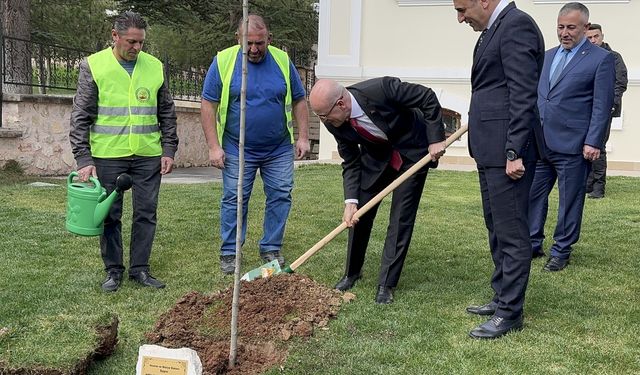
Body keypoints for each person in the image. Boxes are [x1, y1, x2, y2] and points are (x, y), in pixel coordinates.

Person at [308, 77, 446, 305]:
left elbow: (427, 97)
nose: (324, 121)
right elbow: (351, 160)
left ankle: (386, 283)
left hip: (413, 152)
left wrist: (435, 139)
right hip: (378, 157)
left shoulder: (382, 90)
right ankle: (352, 272)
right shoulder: (332, 119)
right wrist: (350, 201)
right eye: (320, 116)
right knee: (358, 214)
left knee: (401, 217)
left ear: (341, 104)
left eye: (324, 116)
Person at [453, 0, 545, 339]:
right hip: (489, 149)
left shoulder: (516, 25)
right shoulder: (493, 30)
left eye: (463, 10)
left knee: (512, 232)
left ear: (484, 1)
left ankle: (510, 312)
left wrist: (514, 150)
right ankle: (500, 295)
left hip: (508, 152)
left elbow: (523, 93)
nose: (461, 19)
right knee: (496, 227)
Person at [70, 11, 179, 292]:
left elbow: (166, 110)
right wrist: (83, 158)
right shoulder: (94, 66)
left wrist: (168, 148)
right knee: (110, 215)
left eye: (141, 42)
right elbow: (80, 114)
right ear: (115, 36)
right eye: (131, 42)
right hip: (108, 154)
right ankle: (113, 270)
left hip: (147, 153)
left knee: (146, 213)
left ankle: (140, 269)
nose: (136, 48)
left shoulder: (154, 66)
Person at [200, 15, 310, 275]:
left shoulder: (282, 61)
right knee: (234, 198)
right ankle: (230, 252)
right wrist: (214, 146)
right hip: (238, 146)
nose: (253, 49)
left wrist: (303, 136)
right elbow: (208, 104)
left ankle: (271, 248)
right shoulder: (224, 61)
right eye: (247, 43)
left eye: (259, 43)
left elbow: (299, 100)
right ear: (238, 39)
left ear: (269, 39)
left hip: (278, 147)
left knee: (281, 195)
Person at [529, 3, 615, 272]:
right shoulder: (547, 56)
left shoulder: (600, 59)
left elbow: (602, 105)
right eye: (560, 27)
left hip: (574, 146)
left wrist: (594, 141)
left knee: (570, 201)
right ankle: (532, 243)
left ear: (585, 28)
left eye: (571, 28)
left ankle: (561, 250)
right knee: (533, 195)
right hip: (541, 142)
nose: (564, 33)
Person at [585, 23, 628, 199]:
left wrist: (609, 104)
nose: (593, 40)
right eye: (589, 37)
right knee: (585, 145)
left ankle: (599, 187)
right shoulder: (584, 56)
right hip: (586, 109)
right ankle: (588, 184)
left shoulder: (613, 57)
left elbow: (621, 83)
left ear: (602, 35)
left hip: (604, 110)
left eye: (596, 36)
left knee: (598, 146)